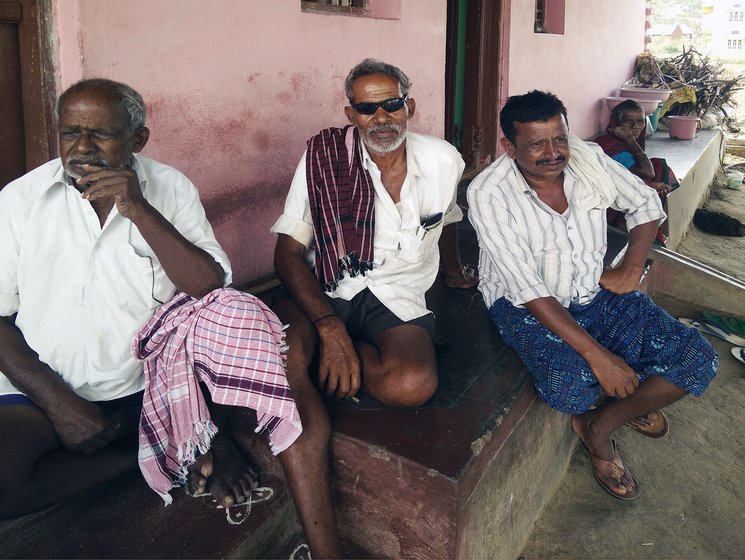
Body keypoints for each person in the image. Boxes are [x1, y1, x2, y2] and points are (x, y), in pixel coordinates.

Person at [0, 79, 342, 557]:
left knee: (233, 315)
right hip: (42, 386)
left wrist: (138, 208)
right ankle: (160, 453)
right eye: (70, 132)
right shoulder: (21, 201)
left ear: (137, 140)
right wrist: (59, 403)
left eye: (100, 135)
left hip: (147, 384)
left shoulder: (169, 188)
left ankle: (177, 439)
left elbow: (207, 285)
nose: (81, 148)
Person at [467, 90, 717, 500]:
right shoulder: (488, 193)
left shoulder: (586, 157)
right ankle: (620, 404)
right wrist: (599, 356)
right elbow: (528, 288)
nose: (554, 153)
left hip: (593, 290)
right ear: (510, 147)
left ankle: (599, 426)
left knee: (698, 359)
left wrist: (631, 268)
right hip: (525, 306)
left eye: (559, 138)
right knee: (571, 388)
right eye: (537, 144)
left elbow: (645, 204)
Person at [271, 58, 477, 409]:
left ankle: (332, 358)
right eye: (367, 108)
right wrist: (329, 326)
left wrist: (454, 273)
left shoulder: (443, 161)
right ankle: (333, 347)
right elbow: (287, 253)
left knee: (412, 384)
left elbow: (447, 220)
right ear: (351, 115)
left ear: (408, 107)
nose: (381, 118)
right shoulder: (323, 158)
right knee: (280, 359)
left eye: (392, 104)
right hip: (329, 285)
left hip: (399, 290)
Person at [594, 99, 679, 245]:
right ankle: (642, 236)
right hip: (611, 198)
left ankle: (660, 228)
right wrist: (631, 141)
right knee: (652, 182)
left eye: (640, 122)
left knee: (660, 166)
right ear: (616, 122)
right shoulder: (608, 145)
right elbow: (647, 172)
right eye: (628, 122)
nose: (635, 127)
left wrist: (649, 183)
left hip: (626, 181)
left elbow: (639, 172)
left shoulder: (625, 143)